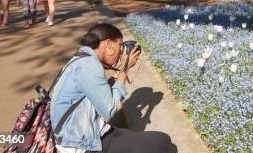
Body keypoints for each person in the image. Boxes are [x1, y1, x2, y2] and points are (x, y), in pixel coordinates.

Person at [51, 23, 177, 153]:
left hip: (90, 131)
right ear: (109, 45)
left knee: (150, 139)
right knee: (163, 142)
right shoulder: (90, 66)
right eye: (120, 46)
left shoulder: (81, 58)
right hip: (82, 144)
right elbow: (109, 110)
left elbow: (99, 91)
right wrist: (124, 71)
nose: (121, 52)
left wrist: (121, 69)